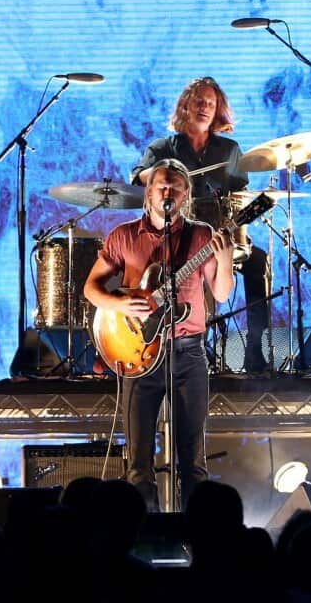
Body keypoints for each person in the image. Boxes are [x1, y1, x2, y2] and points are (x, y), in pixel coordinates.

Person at [85, 159, 234, 510]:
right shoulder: (124, 236)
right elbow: (91, 289)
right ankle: (143, 541)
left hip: (188, 353)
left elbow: (223, 293)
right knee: (138, 464)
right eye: (161, 185)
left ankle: (197, 542)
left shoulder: (200, 235)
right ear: (149, 191)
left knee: (194, 463)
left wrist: (225, 260)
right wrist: (120, 306)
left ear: (186, 195)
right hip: (139, 353)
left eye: (176, 187)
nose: (168, 192)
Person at [132, 77, 273, 373]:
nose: (204, 108)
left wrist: (237, 239)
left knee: (258, 261)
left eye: (210, 103)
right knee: (190, 272)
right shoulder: (162, 148)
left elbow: (238, 198)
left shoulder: (230, 150)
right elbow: (139, 178)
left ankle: (256, 350)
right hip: (178, 240)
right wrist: (163, 174)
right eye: (199, 101)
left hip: (220, 235)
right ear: (185, 106)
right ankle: (196, 350)